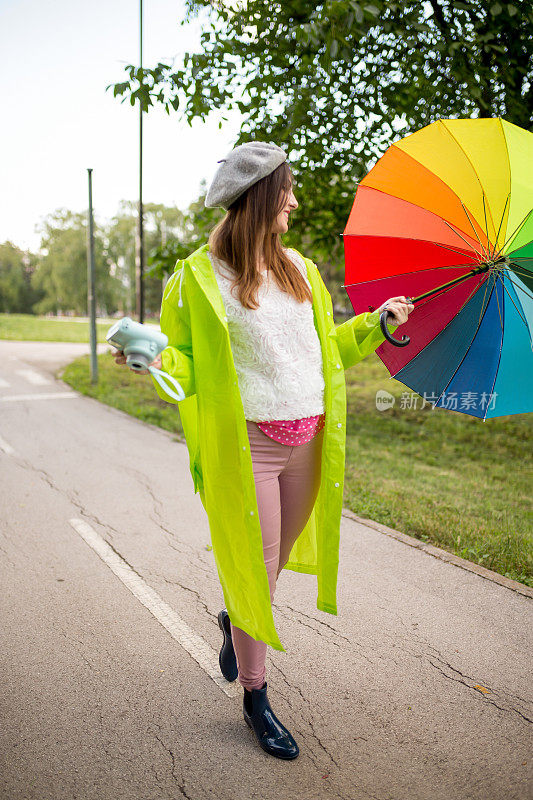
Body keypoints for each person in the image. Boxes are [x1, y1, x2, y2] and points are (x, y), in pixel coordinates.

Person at [114, 141, 414, 760]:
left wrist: (374, 324)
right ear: (259, 199)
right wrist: (150, 360)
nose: (295, 203)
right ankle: (257, 697)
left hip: (308, 442)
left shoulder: (298, 268)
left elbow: (322, 350)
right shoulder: (196, 278)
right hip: (248, 446)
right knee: (255, 569)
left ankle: (233, 616)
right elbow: (187, 362)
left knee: (266, 573)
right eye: (287, 192)